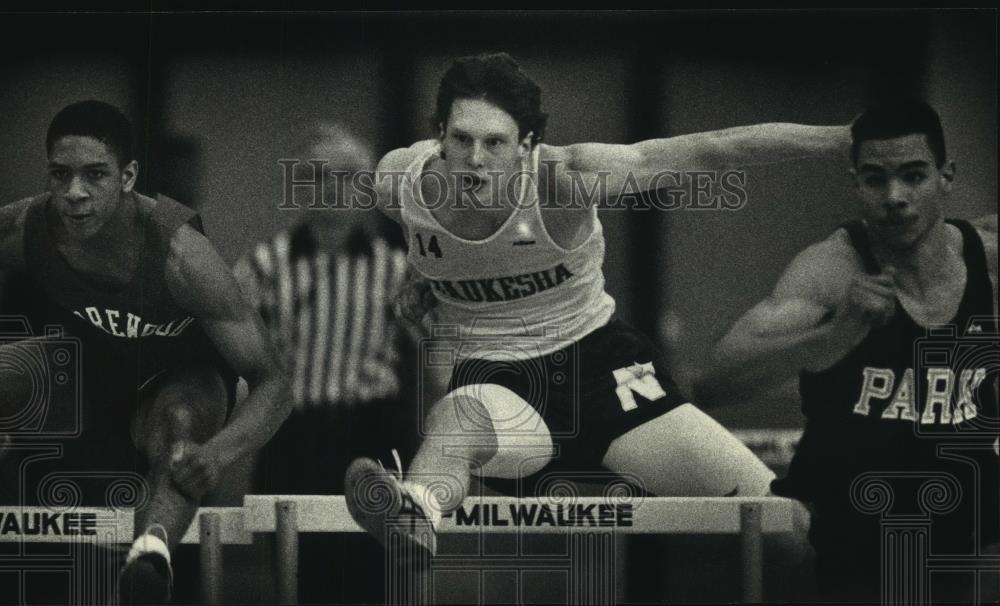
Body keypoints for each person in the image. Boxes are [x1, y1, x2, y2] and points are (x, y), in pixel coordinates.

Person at [343, 52, 851, 563]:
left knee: (786, 524)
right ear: (440, 136)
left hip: (604, 372)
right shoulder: (399, 183)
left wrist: (841, 140)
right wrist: (423, 277)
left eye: (495, 142)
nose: (475, 160)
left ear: (527, 146)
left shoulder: (568, 179)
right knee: (455, 419)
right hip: (499, 385)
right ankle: (415, 512)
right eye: (461, 139)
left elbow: (713, 150)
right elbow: (432, 243)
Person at [694, 100, 999, 601]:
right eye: (875, 179)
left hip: (967, 518)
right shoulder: (830, 270)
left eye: (913, 176)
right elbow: (713, 381)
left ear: (946, 177)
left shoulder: (987, 260)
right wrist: (832, 337)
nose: (894, 197)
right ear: (856, 183)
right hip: (851, 525)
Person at [0, 100, 292, 604]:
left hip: (182, 375)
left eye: (94, 175)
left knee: (179, 428)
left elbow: (275, 383)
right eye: (60, 175)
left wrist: (217, 456)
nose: (75, 194)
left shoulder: (182, 255)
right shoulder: (27, 228)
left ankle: (150, 556)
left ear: (128, 176)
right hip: (96, 371)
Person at [232, 122, 428, 603]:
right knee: (298, 576)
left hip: (373, 434)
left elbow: (438, 352)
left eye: (345, 176)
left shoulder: (395, 267)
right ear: (300, 185)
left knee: (375, 577)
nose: (332, 188)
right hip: (295, 436)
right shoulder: (264, 263)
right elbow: (225, 346)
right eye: (317, 175)